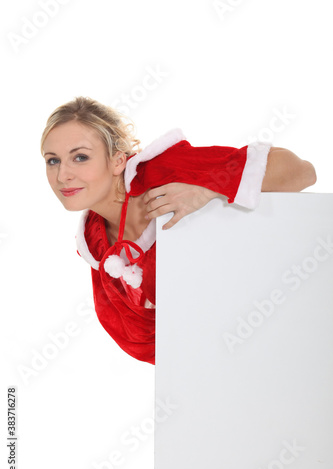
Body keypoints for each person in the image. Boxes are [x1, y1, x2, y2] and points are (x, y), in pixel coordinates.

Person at [41, 96, 317, 365]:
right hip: (212, 371)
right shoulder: (95, 242)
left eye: (80, 157)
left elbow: (302, 172)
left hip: (282, 335)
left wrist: (208, 188)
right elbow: (152, 340)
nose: (62, 175)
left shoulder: (164, 172)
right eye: (53, 160)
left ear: (117, 160)